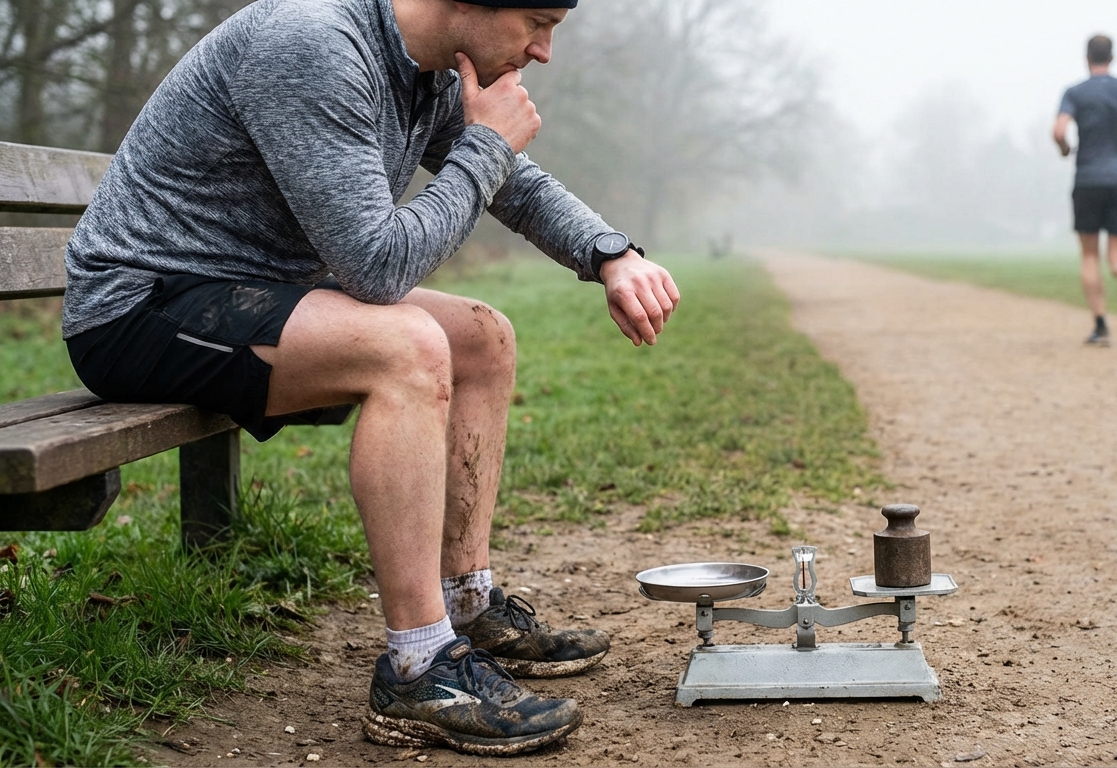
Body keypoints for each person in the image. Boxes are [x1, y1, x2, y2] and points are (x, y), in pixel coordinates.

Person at [62, 0, 680, 756]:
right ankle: (420, 667)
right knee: (408, 346)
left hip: (256, 292)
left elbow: (514, 184)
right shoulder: (313, 45)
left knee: (483, 337)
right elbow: (379, 267)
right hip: (143, 305)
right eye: (538, 21)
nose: (544, 50)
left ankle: (466, 605)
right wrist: (483, 146)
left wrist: (611, 254)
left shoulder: (428, 71)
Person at [1053, 34, 1117, 347]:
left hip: (1088, 178)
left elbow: (1059, 130)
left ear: (1087, 58)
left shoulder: (1075, 92)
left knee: (1089, 254)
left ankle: (1100, 325)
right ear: (1112, 57)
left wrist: (1065, 148)